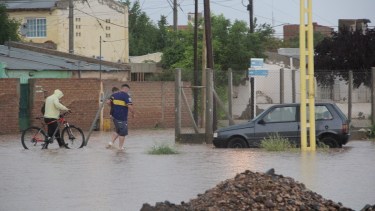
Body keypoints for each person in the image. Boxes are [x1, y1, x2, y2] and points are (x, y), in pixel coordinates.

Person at [107, 84, 135, 150]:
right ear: (126, 89)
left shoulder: (113, 95)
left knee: (117, 130)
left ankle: (111, 143)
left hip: (114, 117)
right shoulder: (126, 96)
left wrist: (113, 107)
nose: (128, 91)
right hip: (121, 117)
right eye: (128, 90)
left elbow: (108, 102)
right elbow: (130, 106)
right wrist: (133, 113)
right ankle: (120, 148)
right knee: (123, 133)